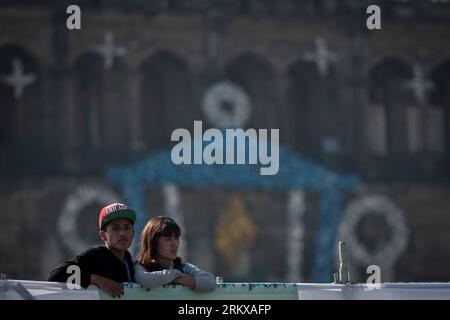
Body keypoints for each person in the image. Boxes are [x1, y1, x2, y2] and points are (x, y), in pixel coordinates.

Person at [48, 203, 136, 298]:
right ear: (103, 235)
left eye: (127, 227)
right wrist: (94, 279)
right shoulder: (97, 255)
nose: (122, 233)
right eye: (115, 228)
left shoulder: (126, 257)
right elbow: (55, 276)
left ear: (133, 233)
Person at [135, 216, 216, 292]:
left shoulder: (184, 267)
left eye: (177, 238)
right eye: (168, 239)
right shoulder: (140, 267)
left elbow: (210, 282)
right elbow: (145, 280)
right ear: (153, 243)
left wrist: (186, 281)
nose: (175, 244)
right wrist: (175, 275)